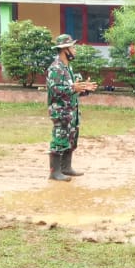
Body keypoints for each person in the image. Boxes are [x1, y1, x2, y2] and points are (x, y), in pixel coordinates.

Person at [46, 34, 98, 181]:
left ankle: (66, 168)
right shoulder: (56, 68)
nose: (75, 50)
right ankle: (54, 172)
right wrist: (73, 87)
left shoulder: (68, 67)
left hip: (71, 111)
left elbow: (72, 90)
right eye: (72, 47)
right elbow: (55, 90)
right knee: (59, 139)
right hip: (60, 111)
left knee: (71, 138)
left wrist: (84, 88)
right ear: (65, 50)